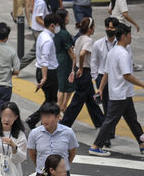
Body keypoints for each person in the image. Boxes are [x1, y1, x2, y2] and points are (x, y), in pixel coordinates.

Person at [91, 24, 144, 157]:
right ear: (124, 36)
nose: (131, 38)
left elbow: (106, 73)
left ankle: (142, 144)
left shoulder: (112, 51)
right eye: (130, 35)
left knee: (132, 120)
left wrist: (100, 89)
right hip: (120, 93)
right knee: (110, 121)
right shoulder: (123, 54)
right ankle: (96, 146)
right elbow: (127, 75)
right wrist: (142, 85)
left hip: (122, 93)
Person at [60, 17, 105, 129]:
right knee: (77, 101)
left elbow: (75, 55)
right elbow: (81, 54)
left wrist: (74, 69)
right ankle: (64, 123)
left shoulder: (79, 39)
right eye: (93, 26)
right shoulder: (89, 41)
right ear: (90, 29)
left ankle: (100, 121)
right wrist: (80, 68)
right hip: (84, 72)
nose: (94, 28)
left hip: (79, 72)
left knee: (90, 99)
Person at [27, 102, 77, 176]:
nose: (45, 120)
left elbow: (72, 152)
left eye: (48, 117)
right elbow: (32, 153)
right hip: (43, 174)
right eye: (43, 117)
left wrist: (64, 165)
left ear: (58, 117)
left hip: (62, 175)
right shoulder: (34, 133)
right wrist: (41, 166)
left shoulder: (68, 132)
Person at [25, 13, 60, 129]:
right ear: (52, 25)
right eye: (57, 25)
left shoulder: (42, 35)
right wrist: (44, 77)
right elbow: (45, 60)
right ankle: (34, 119)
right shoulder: (48, 40)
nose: (58, 28)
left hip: (41, 70)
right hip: (48, 72)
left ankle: (41, 120)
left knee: (50, 100)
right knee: (51, 101)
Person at [90, 16, 119, 148]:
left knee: (116, 107)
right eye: (108, 27)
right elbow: (94, 62)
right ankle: (107, 135)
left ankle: (109, 132)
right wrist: (96, 78)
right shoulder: (98, 44)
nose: (109, 29)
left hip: (116, 78)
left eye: (112, 27)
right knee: (107, 106)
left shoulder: (120, 43)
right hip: (103, 77)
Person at [20, 0, 52, 69]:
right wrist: (48, 27)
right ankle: (17, 67)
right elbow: (38, 18)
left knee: (39, 51)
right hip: (39, 30)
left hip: (40, 30)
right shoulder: (41, 2)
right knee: (36, 51)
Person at [53, 9, 75, 113]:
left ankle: (62, 108)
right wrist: (75, 61)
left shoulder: (55, 32)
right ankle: (60, 108)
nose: (68, 18)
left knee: (63, 85)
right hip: (65, 61)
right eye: (67, 16)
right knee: (63, 87)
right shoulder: (64, 33)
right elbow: (70, 51)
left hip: (57, 59)